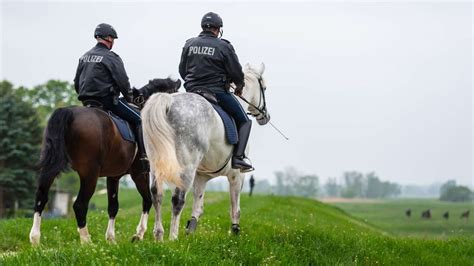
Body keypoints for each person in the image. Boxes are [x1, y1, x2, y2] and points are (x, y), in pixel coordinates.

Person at [179, 12, 253, 171]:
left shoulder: (189, 44)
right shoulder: (224, 46)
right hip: (216, 92)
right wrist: (239, 86)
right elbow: (236, 72)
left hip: (191, 91)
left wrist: (192, 83)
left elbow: (182, 71)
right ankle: (239, 158)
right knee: (245, 120)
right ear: (218, 29)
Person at [74, 23, 149, 171]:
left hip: (87, 102)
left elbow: (77, 82)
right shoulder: (111, 57)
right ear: (108, 38)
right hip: (107, 101)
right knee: (140, 119)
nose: (113, 42)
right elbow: (122, 81)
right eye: (113, 39)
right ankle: (144, 158)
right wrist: (128, 97)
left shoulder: (84, 57)